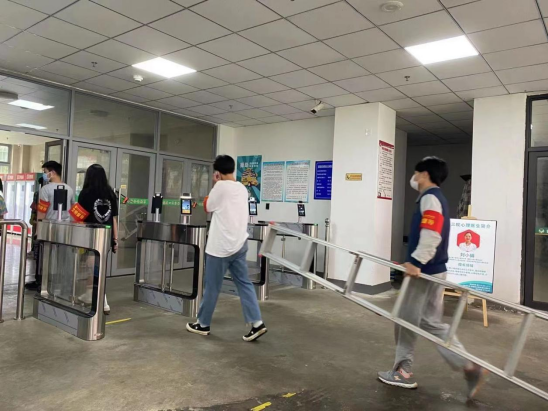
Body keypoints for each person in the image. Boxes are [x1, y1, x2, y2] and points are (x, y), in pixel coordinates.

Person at [377, 157, 488, 399]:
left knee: (405, 319)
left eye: (416, 173)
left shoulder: (430, 198)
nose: (414, 178)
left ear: (425, 174)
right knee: (430, 322)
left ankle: (403, 372)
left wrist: (416, 262)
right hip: (435, 271)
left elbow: (432, 234)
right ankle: (469, 367)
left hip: (425, 273)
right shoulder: (437, 199)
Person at [186, 155, 267, 342]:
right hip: (239, 244)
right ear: (232, 168)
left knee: (212, 286)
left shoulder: (220, 187)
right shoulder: (242, 188)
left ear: (218, 172)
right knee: (244, 283)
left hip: (220, 247)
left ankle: (203, 324)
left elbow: (207, 206)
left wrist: (215, 185)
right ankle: (257, 323)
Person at [72, 164, 118, 315]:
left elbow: (79, 218)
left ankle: (102, 301)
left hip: (90, 236)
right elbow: (114, 219)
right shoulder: (111, 194)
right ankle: (88, 294)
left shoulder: (85, 193)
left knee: (94, 267)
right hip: (106, 236)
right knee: (96, 266)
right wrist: (115, 239)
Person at [26, 161, 75, 290]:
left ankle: (42, 283)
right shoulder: (69, 189)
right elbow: (73, 210)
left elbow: (42, 212)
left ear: (52, 172)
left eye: (45, 172)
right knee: (62, 256)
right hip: (65, 228)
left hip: (49, 227)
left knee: (45, 255)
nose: (44, 175)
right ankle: (62, 282)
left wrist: (38, 230)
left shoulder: (45, 189)